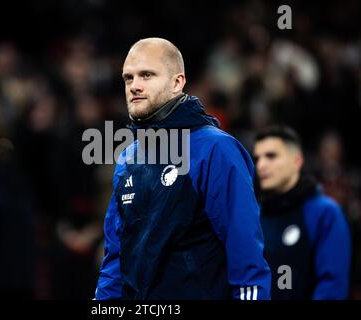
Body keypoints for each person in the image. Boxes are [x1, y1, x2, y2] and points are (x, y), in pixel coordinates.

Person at [94, 37, 271, 300]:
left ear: (177, 82)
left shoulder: (215, 149)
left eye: (147, 75)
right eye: (128, 78)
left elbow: (244, 251)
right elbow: (116, 258)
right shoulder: (128, 159)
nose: (134, 86)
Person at [253, 126, 351, 299]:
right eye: (257, 158)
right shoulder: (255, 215)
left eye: (271, 156)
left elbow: (333, 284)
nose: (261, 165)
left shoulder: (325, 213)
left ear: (296, 160)